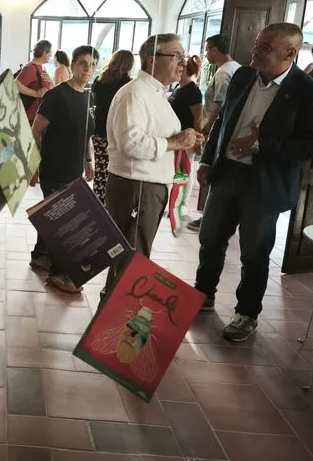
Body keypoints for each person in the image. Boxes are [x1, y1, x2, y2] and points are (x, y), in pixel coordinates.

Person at [194, 23, 313, 342]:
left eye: (266, 48)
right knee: (210, 238)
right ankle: (202, 294)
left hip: (264, 185)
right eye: (257, 44)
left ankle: (247, 313)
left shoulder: (309, 92)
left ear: (290, 54)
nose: (256, 51)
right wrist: (207, 160)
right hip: (227, 173)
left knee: (254, 252)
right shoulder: (243, 76)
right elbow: (224, 121)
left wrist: (261, 144)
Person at [101, 34, 204, 297]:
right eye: (176, 56)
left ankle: (113, 311)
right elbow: (130, 143)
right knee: (131, 259)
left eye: (183, 56)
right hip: (137, 186)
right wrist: (174, 142)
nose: (183, 62)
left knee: (132, 257)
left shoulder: (155, 92)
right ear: (152, 59)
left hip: (148, 186)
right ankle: (113, 314)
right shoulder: (135, 93)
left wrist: (183, 139)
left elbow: (156, 134)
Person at [30, 45, 98, 294]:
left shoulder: (88, 96)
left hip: (75, 168)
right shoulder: (57, 95)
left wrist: (89, 160)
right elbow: (35, 131)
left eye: (92, 64)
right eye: (83, 63)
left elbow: (86, 133)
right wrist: (34, 164)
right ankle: (60, 273)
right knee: (64, 221)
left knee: (53, 214)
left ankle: (41, 256)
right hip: (54, 167)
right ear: (73, 65)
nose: (88, 69)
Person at [187, 35, 240, 232]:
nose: (206, 53)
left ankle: (210, 219)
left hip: (219, 131)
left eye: (207, 49)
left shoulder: (224, 72)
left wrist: (206, 130)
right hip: (228, 131)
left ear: (215, 50)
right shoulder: (237, 68)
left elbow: (219, 106)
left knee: (211, 172)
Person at [91, 49, 134, 206]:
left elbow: (93, 103)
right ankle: (111, 205)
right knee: (115, 171)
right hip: (117, 132)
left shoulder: (99, 80)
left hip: (99, 130)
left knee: (100, 170)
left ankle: (97, 203)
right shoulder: (129, 84)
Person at [167, 55, 204, 233]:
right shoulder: (178, 87)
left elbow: (198, 118)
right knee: (177, 172)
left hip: (187, 140)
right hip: (176, 138)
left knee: (185, 173)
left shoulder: (193, 91)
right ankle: (173, 203)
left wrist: (197, 140)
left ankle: (181, 206)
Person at [16, 40, 53, 122]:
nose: (51, 55)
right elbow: (16, 85)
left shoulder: (41, 67)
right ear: (44, 53)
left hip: (39, 115)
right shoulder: (30, 68)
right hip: (31, 117)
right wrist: (36, 93)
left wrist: (51, 81)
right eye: (50, 52)